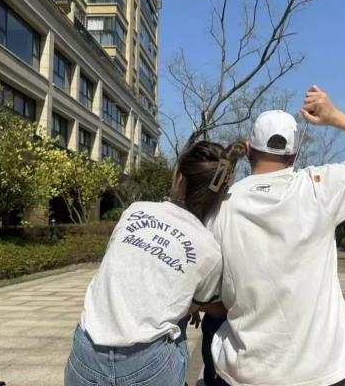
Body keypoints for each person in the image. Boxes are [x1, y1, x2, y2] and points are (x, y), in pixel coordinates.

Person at [205, 85, 345, 386]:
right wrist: (335, 118)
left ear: (249, 150)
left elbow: (212, 296)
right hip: (325, 372)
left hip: (247, 372)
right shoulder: (319, 187)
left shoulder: (221, 205)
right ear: (294, 154)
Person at [64, 140, 246, 386]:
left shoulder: (134, 211)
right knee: (178, 315)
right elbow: (212, 307)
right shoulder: (209, 249)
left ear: (180, 177)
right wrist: (192, 307)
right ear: (221, 194)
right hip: (148, 368)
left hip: (85, 357)